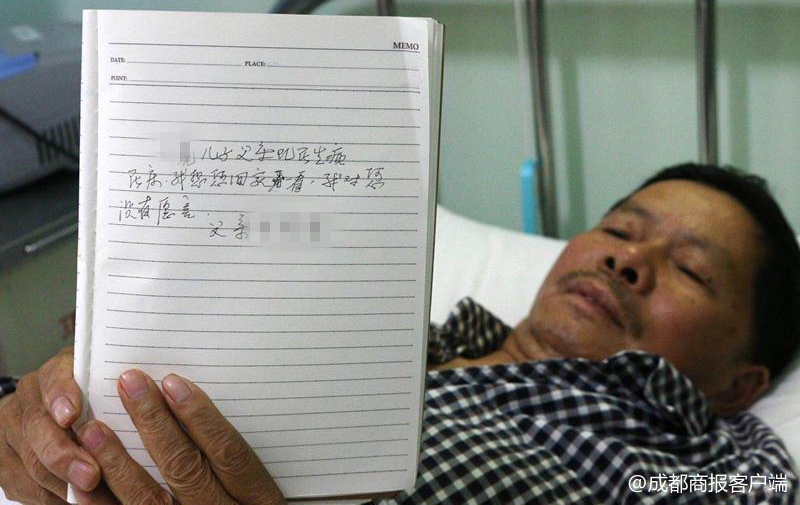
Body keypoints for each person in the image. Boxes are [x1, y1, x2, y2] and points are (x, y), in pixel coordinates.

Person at [1, 163, 799, 503]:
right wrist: (58, 411)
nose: (628, 259)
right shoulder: (382, 336)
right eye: (620, 229)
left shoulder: (706, 470)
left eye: (691, 269)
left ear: (742, 383)